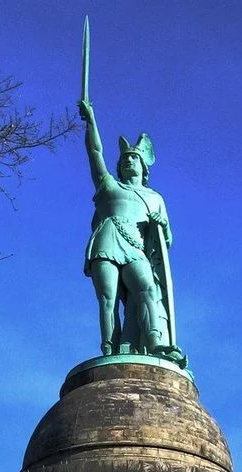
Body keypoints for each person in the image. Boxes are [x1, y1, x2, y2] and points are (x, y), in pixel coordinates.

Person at [78, 99, 185, 366]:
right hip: (107, 240)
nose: (128, 161)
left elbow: (167, 241)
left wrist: (160, 224)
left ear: (143, 167)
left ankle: (155, 342)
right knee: (108, 299)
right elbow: (95, 152)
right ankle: (110, 350)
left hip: (136, 248)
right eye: (125, 158)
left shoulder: (155, 198)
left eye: (133, 158)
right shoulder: (108, 186)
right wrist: (91, 120)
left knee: (148, 289)